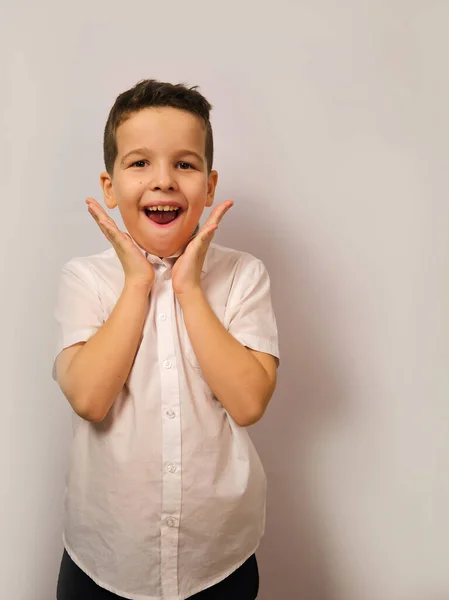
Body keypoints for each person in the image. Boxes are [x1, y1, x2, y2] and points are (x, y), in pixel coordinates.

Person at [53, 79, 280, 600]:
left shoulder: (244, 276)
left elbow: (248, 403)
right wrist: (138, 283)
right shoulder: (86, 279)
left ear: (209, 183)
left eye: (184, 163)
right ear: (109, 188)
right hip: (105, 560)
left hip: (217, 558)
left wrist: (188, 289)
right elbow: (90, 399)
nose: (164, 181)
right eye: (139, 163)